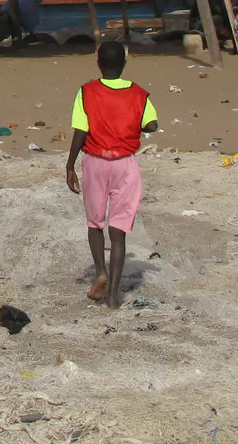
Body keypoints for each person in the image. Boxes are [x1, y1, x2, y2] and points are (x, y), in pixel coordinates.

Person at [64, 40, 158, 309]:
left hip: (95, 163)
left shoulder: (86, 92)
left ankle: (100, 272)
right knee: (118, 232)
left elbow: (80, 131)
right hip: (125, 165)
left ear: (98, 64)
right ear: (124, 65)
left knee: (95, 223)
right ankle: (114, 295)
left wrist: (70, 165)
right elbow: (152, 124)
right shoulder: (139, 94)